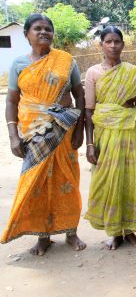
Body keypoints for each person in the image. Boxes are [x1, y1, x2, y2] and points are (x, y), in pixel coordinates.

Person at [2, 14, 86, 255]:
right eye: (37, 28)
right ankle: (43, 236)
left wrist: (79, 129)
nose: (44, 32)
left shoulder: (65, 60)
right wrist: (13, 136)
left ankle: (71, 231)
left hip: (63, 130)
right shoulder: (19, 64)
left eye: (48, 29)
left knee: (67, 181)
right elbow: (11, 101)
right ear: (26, 34)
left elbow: (79, 95)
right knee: (36, 181)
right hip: (33, 132)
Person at [84, 26, 136, 250]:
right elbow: (89, 111)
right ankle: (114, 231)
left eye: (117, 41)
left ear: (123, 44)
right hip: (104, 132)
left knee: (129, 179)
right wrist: (90, 144)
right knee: (107, 179)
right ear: (101, 45)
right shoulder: (93, 72)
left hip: (129, 131)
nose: (113, 45)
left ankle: (130, 230)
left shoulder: (133, 72)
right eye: (108, 41)